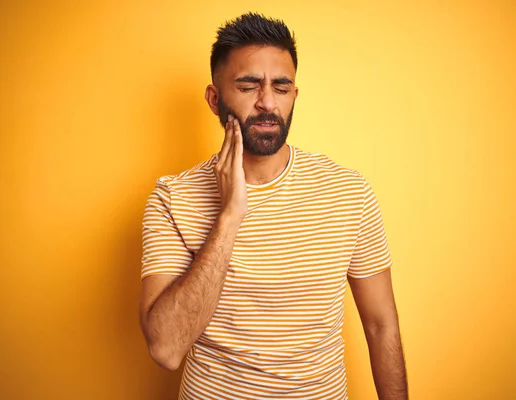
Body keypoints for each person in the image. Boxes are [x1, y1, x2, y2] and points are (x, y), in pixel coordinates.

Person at [139, 12, 408, 400]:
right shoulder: (172, 198)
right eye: (248, 86)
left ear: (294, 95)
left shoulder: (349, 192)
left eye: (281, 87)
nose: (267, 102)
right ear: (215, 100)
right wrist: (230, 215)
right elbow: (165, 348)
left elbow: (382, 326)